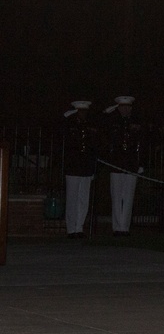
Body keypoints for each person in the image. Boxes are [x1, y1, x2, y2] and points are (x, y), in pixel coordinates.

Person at [104, 95, 142, 236]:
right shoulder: (113, 121)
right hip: (116, 164)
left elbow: (140, 144)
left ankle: (124, 227)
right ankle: (117, 226)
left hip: (131, 165)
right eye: (123, 107)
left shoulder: (136, 122)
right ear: (118, 108)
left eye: (128, 107)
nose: (126, 110)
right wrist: (111, 111)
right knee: (116, 196)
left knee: (128, 197)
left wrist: (140, 164)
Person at [63, 100, 98, 239]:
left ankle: (79, 227)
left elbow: (94, 147)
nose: (83, 114)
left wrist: (94, 167)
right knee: (72, 198)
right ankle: (71, 228)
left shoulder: (91, 127)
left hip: (86, 166)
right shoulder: (70, 125)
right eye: (80, 111)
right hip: (73, 166)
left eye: (85, 111)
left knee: (83, 198)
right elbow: (59, 123)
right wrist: (69, 114)